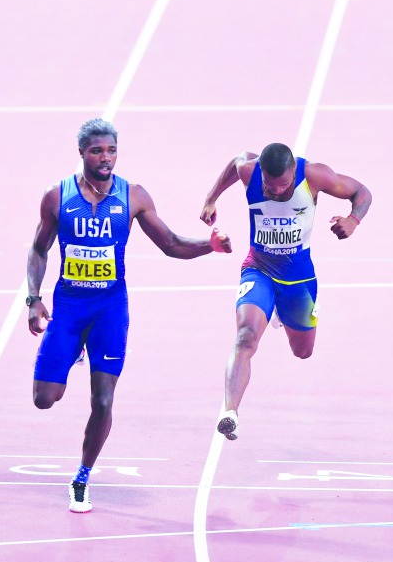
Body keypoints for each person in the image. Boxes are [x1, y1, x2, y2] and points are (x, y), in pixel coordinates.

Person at [27, 118, 232, 512]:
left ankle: (82, 478)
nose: (105, 158)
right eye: (97, 151)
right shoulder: (57, 197)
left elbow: (170, 244)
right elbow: (39, 249)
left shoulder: (133, 197)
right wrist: (33, 298)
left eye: (111, 150)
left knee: (102, 401)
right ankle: (74, 348)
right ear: (82, 153)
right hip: (69, 306)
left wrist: (211, 246)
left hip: (109, 309)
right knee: (44, 399)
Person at [200, 142, 371, 441]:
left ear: (295, 171)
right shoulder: (249, 171)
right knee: (245, 337)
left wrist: (353, 220)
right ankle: (230, 412)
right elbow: (235, 162)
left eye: (284, 185)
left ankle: (279, 311)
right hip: (259, 268)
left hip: (299, 277)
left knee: (302, 352)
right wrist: (211, 199)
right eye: (270, 185)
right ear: (261, 173)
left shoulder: (315, 176)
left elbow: (362, 192)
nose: (277, 191)